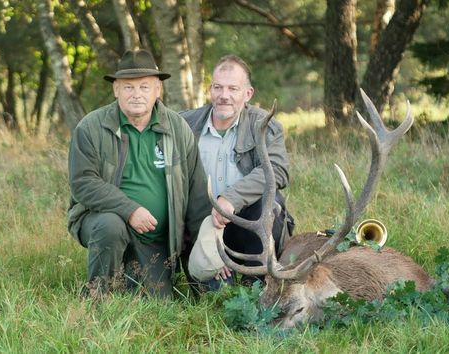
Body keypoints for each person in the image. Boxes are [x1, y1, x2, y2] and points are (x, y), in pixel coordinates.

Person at [67, 49, 211, 298]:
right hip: (104, 223)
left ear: (158, 90)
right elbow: (83, 183)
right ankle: (96, 295)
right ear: (116, 90)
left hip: (157, 240)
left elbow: (196, 193)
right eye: (128, 87)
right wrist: (129, 209)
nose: (136, 95)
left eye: (144, 87)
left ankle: (126, 275)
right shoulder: (91, 127)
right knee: (110, 225)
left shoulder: (177, 128)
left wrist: (205, 251)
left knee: (157, 300)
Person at [180, 55, 294, 289]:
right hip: (201, 224)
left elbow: (278, 170)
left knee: (267, 204)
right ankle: (217, 271)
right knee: (216, 295)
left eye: (233, 88)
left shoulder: (264, 124)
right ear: (210, 89)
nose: (224, 95)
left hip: (248, 224)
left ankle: (257, 280)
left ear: (248, 93)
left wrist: (230, 199)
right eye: (218, 87)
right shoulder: (185, 125)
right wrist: (208, 240)